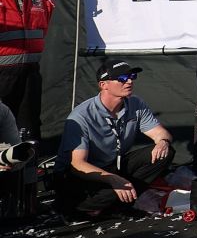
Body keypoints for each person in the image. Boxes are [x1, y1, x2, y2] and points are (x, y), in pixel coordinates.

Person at [56, 61, 174, 216]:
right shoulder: (81, 116)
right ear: (104, 84)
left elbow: (161, 134)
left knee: (165, 152)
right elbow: (78, 165)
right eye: (123, 78)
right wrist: (114, 180)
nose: (130, 81)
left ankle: (117, 201)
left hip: (113, 165)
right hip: (83, 174)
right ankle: (83, 208)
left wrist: (162, 142)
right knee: (112, 187)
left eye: (132, 76)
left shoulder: (135, 103)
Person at [0, 0, 53, 139]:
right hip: (2, 76)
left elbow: (42, 32)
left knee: (28, 132)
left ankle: (28, 170)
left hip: (30, 74)